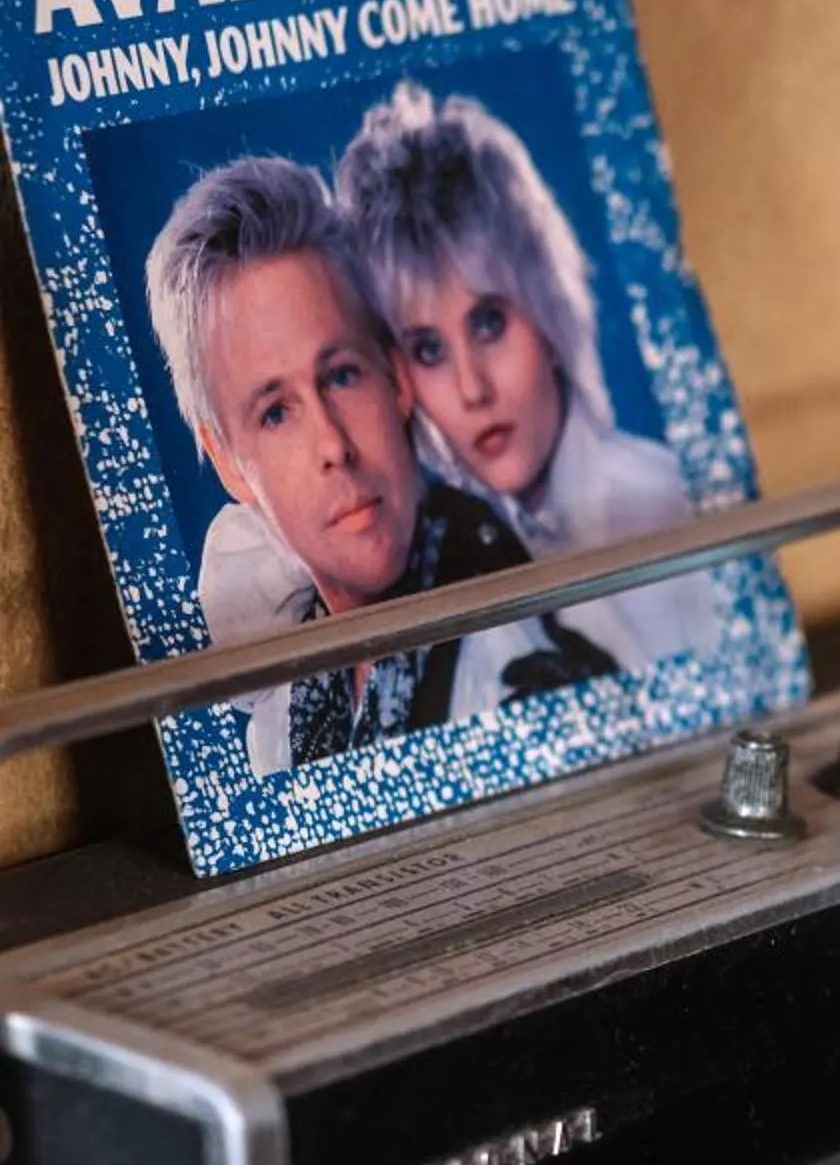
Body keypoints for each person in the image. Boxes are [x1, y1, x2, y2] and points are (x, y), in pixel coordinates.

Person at [145, 154, 603, 773]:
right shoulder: (284, 717)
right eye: (277, 412)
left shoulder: (519, 665)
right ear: (227, 463)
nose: (334, 445)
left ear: (397, 379)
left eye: (341, 376)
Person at [335, 81, 718, 669]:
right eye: (430, 349)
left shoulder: (662, 506)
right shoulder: (429, 570)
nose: (472, 388)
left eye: (489, 323)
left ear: (547, 311)